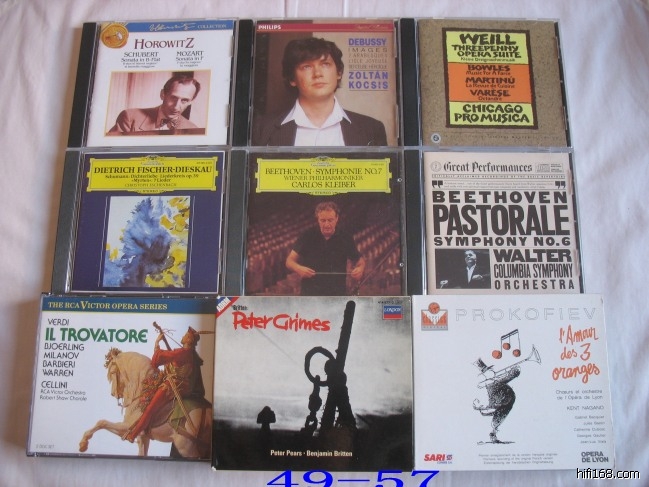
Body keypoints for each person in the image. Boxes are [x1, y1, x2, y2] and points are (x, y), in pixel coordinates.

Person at [252, 37, 387, 146]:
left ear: (339, 72)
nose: (317, 74)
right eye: (306, 67)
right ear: (292, 79)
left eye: (325, 64)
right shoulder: (262, 128)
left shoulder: (372, 129)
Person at [123, 326, 206, 443]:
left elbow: (157, 360)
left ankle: (133, 435)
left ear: (188, 339)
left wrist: (157, 343)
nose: (182, 337)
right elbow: (172, 360)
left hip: (172, 386)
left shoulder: (183, 352)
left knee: (150, 408)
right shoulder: (188, 353)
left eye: (185, 335)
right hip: (182, 386)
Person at [286, 202, 365, 295]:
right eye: (323, 220)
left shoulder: (346, 238)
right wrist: (298, 268)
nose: (327, 224)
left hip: (336, 294)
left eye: (330, 220)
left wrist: (360, 268)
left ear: (337, 219)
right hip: (310, 294)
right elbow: (289, 261)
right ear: (318, 219)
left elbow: (360, 261)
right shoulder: (307, 235)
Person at [108, 74, 201, 133]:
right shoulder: (129, 118)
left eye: (184, 100)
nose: (176, 107)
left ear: (191, 102)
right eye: (173, 98)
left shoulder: (193, 130)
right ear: (162, 94)